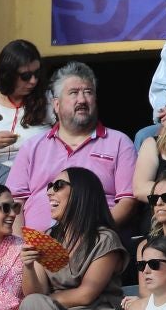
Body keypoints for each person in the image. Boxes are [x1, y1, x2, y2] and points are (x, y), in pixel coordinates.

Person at [9, 63, 137, 232]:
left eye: (88, 92)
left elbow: (129, 202)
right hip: (37, 250)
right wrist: (20, 247)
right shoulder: (32, 147)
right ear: (56, 104)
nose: (82, 100)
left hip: (95, 246)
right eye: (74, 93)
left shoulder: (119, 142)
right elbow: (14, 203)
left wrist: (93, 236)